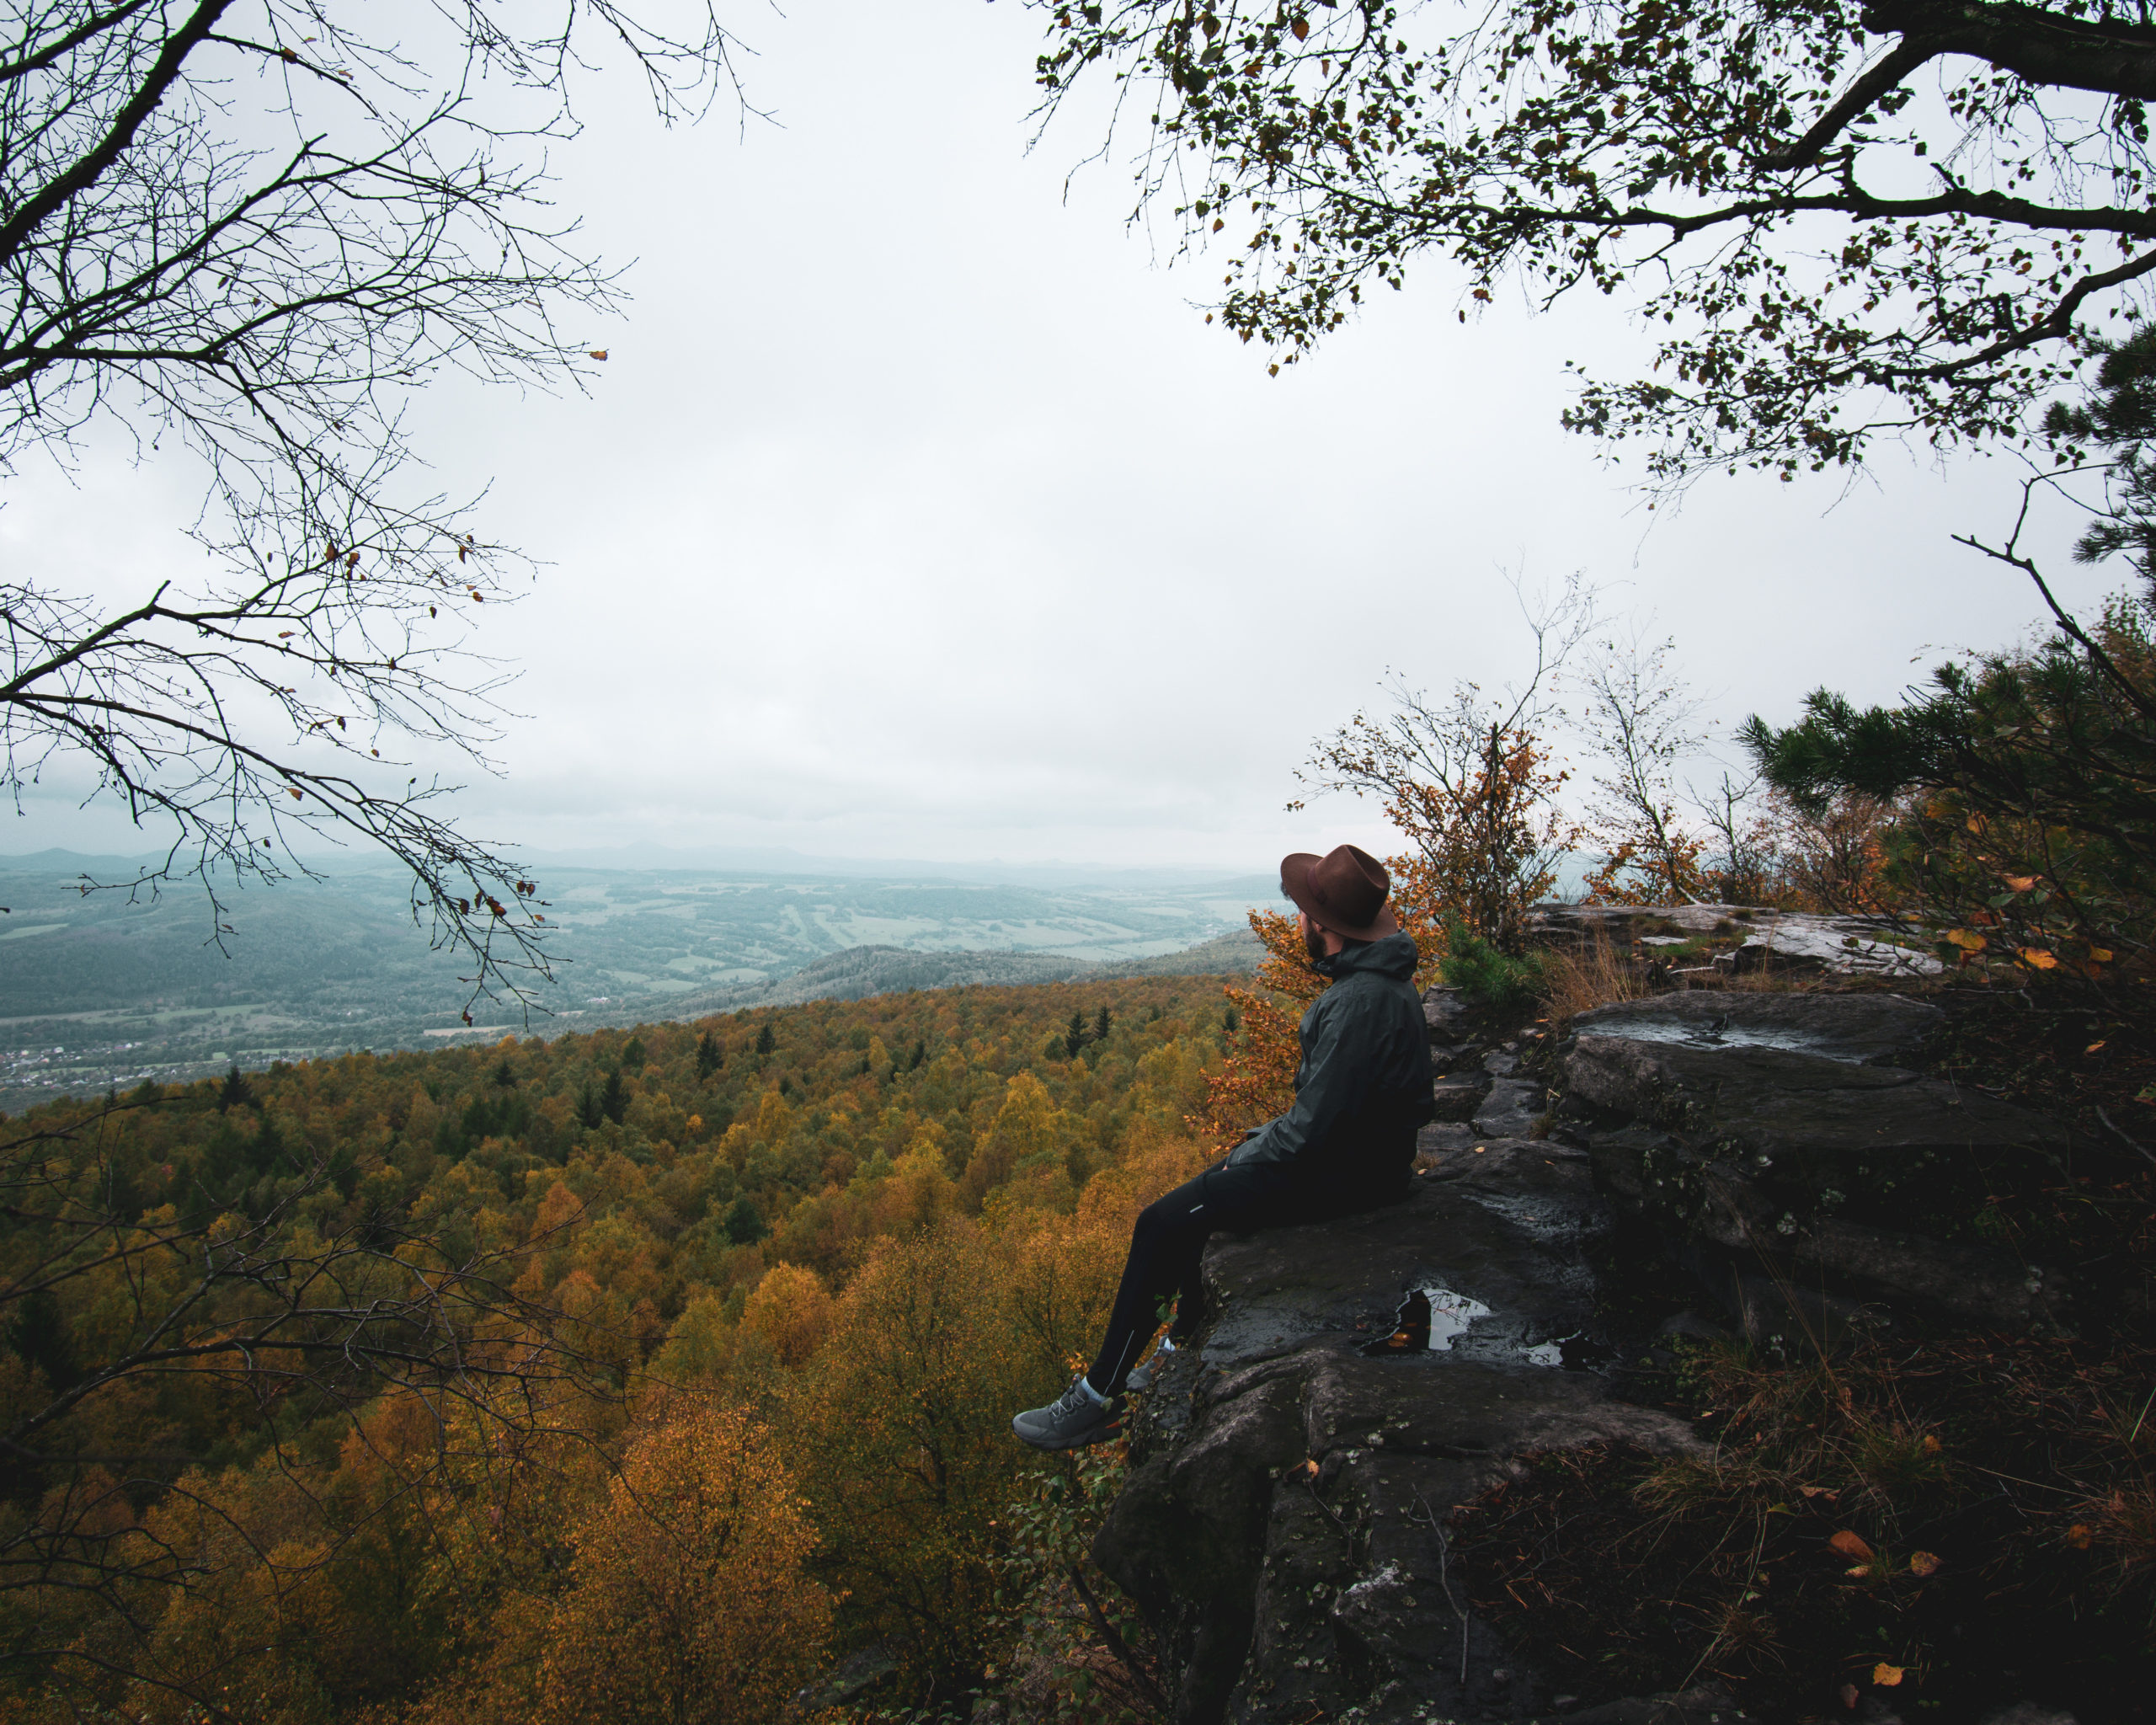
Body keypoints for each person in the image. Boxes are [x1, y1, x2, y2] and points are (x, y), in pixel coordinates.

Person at [1011, 843, 1435, 1452]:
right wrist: (1250, 1147)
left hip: (1346, 1175)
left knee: (1161, 1222)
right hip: (1366, 1162)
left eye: (1302, 911)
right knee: (1199, 1202)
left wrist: (1247, 1155)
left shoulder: (1358, 1003)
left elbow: (1312, 1131)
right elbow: (1334, 1111)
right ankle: (1179, 1345)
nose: (1296, 920)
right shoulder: (1376, 987)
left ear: (1325, 927)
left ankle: (1097, 1398)